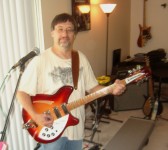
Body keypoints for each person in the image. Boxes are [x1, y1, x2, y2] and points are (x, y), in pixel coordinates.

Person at [16, 13, 126, 150]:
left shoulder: (80, 58)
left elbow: (92, 89)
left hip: (76, 126)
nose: (65, 34)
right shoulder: (40, 61)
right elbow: (21, 93)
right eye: (60, 29)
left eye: (69, 29)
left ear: (74, 34)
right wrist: (36, 116)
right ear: (52, 33)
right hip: (51, 125)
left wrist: (111, 89)